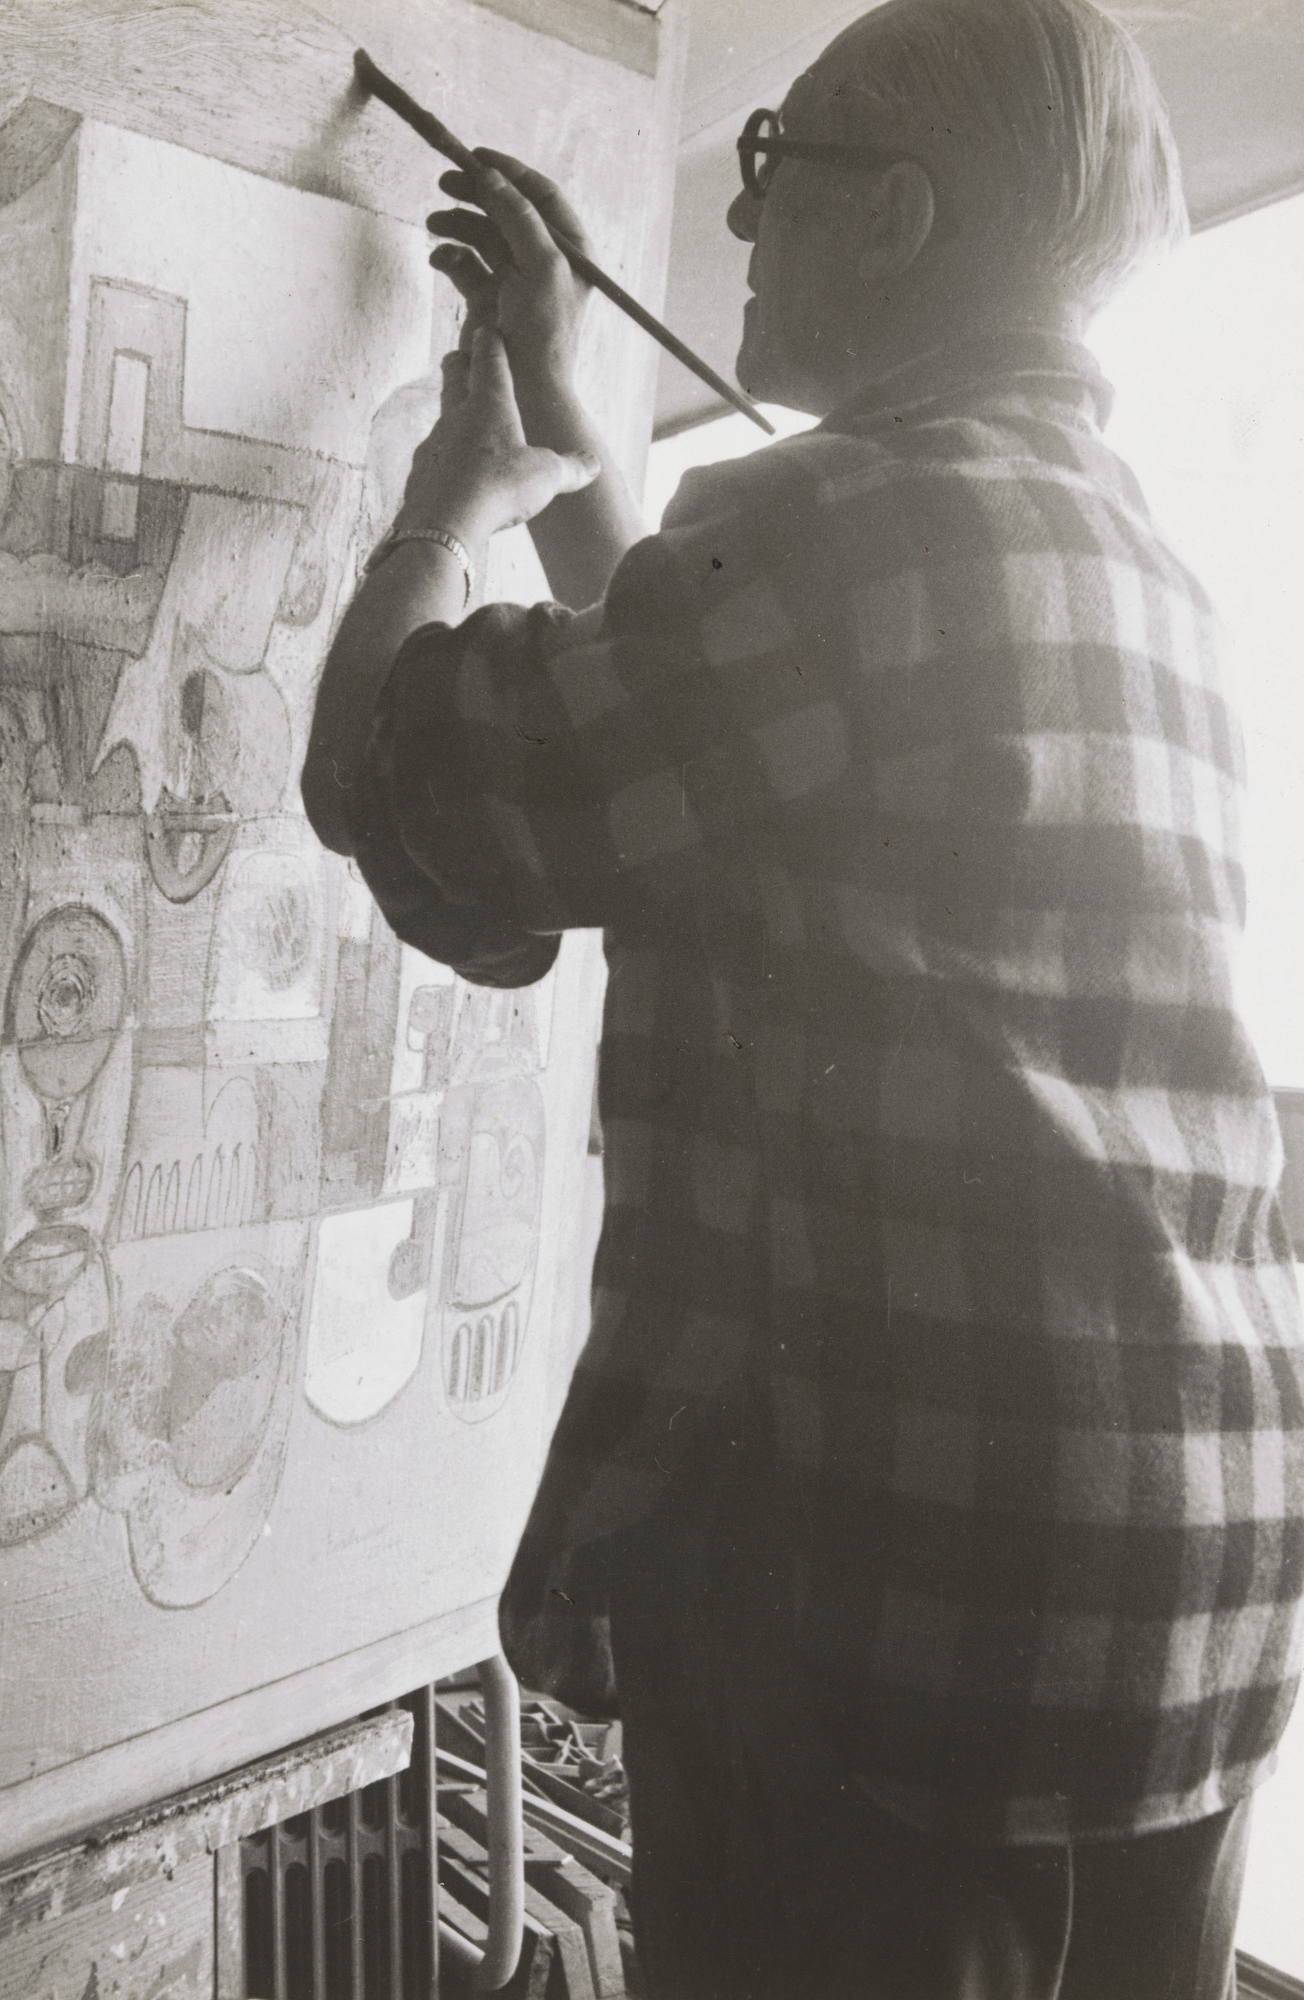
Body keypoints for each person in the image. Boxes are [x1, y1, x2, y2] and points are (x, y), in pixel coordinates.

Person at [303, 1, 1304, 1992]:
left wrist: (447, 492)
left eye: (774, 167)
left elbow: (395, 774)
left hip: (900, 1618)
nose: (739, 220)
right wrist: (579, 444)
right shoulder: (1138, 568)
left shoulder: (850, 531)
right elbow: (733, 769)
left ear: (902, 224)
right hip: (1177, 1603)